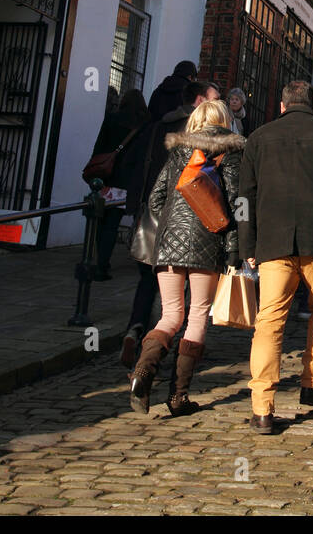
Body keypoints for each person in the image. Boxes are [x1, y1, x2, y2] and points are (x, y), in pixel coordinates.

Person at [239, 80, 313, 434]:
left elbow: (244, 198)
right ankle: (312, 384)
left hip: (273, 240)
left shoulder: (259, 138)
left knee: (270, 319)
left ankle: (262, 406)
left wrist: (247, 246)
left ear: (281, 105)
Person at [128, 100, 245, 415]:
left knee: (170, 316)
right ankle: (178, 396)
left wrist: (168, 230)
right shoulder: (231, 152)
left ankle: (142, 372)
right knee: (197, 316)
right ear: (224, 121)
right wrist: (235, 247)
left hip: (168, 245)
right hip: (209, 244)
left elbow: (156, 198)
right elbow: (237, 204)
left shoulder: (178, 151)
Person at [114, 79, 217, 367]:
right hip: (187, 221)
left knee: (147, 281)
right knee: (184, 294)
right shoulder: (199, 135)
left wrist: (135, 207)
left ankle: (135, 329)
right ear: (199, 101)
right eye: (213, 99)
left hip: (151, 216)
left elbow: (139, 166)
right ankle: (181, 347)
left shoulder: (157, 126)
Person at [90, 89, 149, 280]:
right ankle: (137, 262)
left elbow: (99, 147)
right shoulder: (143, 124)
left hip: (106, 179)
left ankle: (100, 262)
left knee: (102, 223)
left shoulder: (112, 119)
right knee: (117, 223)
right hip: (128, 180)